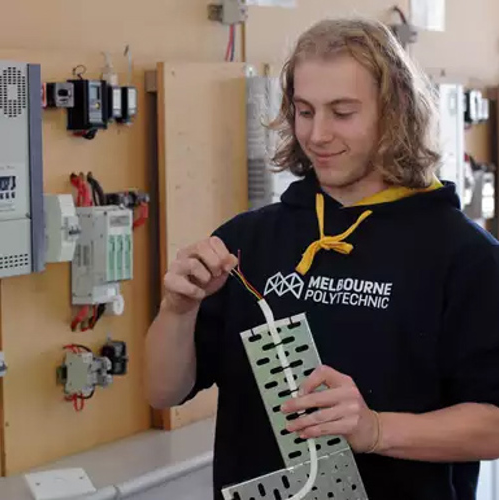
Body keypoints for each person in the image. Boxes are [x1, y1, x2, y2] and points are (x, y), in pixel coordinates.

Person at [145, 17, 499, 500]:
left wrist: (375, 429)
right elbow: (162, 392)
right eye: (305, 111)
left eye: (342, 112)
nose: (317, 134)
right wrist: (177, 311)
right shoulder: (248, 240)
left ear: (394, 114)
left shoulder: (463, 257)